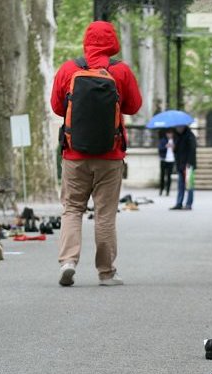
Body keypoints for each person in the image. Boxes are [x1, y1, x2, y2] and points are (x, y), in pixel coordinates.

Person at [50, 21, 142, 287]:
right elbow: (134, 106)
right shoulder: (121, 71)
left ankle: (68, 261)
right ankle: (106, 272)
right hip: (110, 156)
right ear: (113, 41)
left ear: (86, 41)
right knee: (104, 214)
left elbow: (57, 107)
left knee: (72, 209)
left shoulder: (69, 69)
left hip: (74, 154)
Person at [170, 125, 197, 210]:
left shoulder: (190, 136)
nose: (178, 129)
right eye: (177, 127)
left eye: (180, 127)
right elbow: (176, 151)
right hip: (180, 164)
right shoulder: (177, 136)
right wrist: (173, 147)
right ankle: (179, 203)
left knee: (189, 185)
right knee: (180, 186)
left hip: (188, 165)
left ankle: (189, 204)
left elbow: (192, 150)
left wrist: (189, 163)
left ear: (184, 127)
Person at [157, 129, 175, 196]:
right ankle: (161, 190)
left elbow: (177, 150)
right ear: (166, 134)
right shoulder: (163, 140)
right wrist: (166, 146)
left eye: (171, 133)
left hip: (171, 160)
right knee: (162, 176)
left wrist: (174, 147)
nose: (169, 135)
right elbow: (159, 149)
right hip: (164, 160)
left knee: (169, 176)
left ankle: (168, 191)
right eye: (168, 133)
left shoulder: (174, 140)